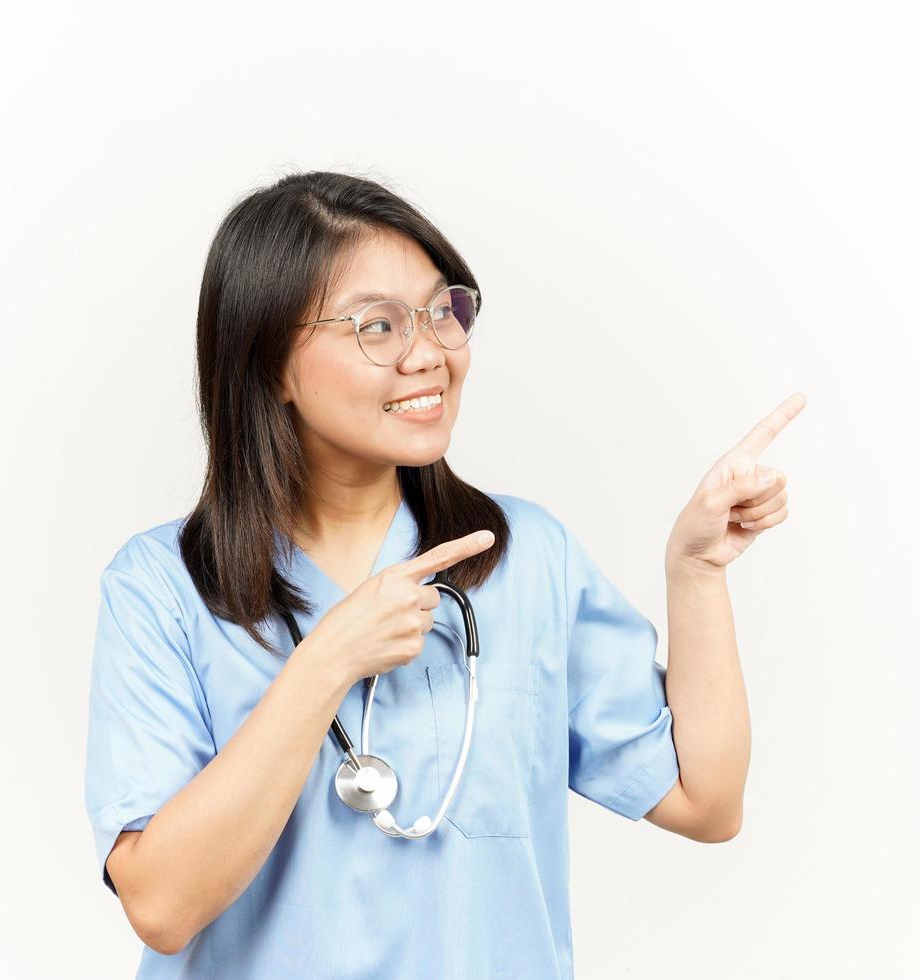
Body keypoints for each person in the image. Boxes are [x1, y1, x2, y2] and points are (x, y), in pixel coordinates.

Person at [83, 170, 802, 978]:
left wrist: (696, 571)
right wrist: (326, 662)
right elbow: (161, 906)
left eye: (441, 312)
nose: (429, 353)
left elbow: (706, 803)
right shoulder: (162, 587)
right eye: (377, 326)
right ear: (271, 363)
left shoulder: (526, 555)